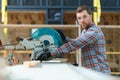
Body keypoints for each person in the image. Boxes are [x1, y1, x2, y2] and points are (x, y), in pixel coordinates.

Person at [36, 6, 111, 74]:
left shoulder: (94, 32)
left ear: (90, 17)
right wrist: (64, 38)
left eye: (84, 17)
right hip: (92, 72)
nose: (82, 20)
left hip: (100, 73)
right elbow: (75, 42)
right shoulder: (85, 32)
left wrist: (50, 54)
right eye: (79, 18)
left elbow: (75, 44)